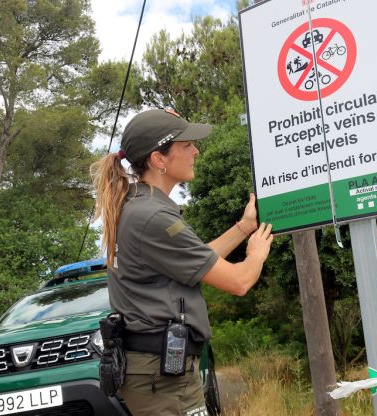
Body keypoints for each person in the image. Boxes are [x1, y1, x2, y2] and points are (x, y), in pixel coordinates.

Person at [91, 108, 274, 416]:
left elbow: (195, 261)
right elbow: (239, 282)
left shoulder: (138, 204)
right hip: (160, 378)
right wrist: (255, 254)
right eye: (186, 144)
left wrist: (244, 228)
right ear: (158, 159)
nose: (196, 151)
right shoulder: (153, 216)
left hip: (157, 372)